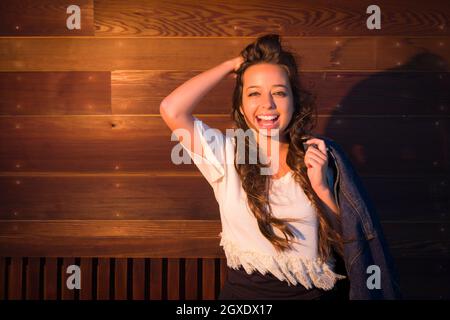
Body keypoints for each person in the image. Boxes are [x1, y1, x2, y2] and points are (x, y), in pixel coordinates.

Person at [160, 34, 399, 300]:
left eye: (279, 92)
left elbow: (350, 245)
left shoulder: (317, 154)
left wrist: (321, 188)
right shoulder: (226, 152)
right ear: (241, 105)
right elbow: (172, 109)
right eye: (254, 93)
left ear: (294, 101)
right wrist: (233, 63)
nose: (268, 104)